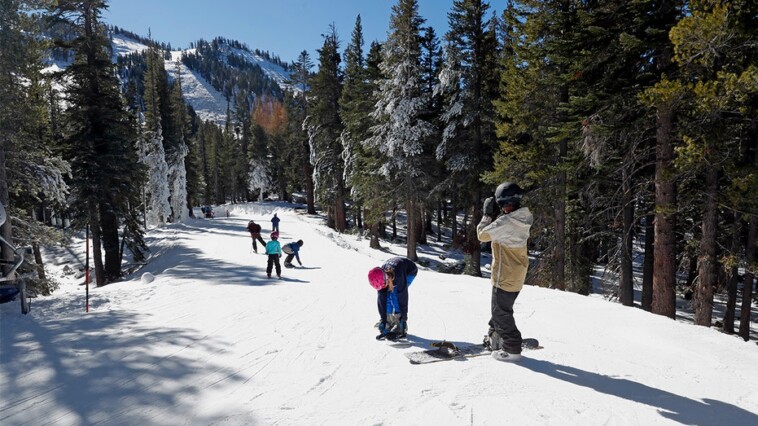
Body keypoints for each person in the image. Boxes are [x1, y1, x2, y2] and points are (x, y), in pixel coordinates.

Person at [477, 182, 533, 362]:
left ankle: (511, 347)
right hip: (517, 275)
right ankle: (495, 335)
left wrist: (487, 216)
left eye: (501, 204)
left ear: (506, 203)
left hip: (505, 276)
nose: (501, 208)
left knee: (501, 313)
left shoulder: (506, 222)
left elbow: (482, 235)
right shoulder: (524, 217)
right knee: (501, 309)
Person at [368, 256, 418, 340]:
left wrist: (403, 318)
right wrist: (383, 319)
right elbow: (381, 299)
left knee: (395, 295)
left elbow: (403, 297)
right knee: (387, 295)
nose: (383, 287)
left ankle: (399, 323)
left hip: (409, 270)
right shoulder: (381, 278)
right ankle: (389, 320)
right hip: (393, 270)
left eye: (384, 284)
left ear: (387, 278)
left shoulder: (398, 276)